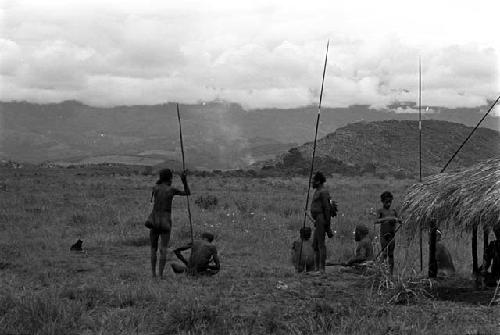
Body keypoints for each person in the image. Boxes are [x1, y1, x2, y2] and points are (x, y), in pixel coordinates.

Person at [145, 168, 190, 279]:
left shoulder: (155, 188)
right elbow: (188, 193)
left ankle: (153, 274)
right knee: (163, 249)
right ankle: (160, 275)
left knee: (153, 249)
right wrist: (184, 180)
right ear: (169, 177)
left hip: (154, 220)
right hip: (165, 221)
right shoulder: (171, 190)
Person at [310, 171, 333, 274]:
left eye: (313, 180)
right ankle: (316, 269)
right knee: (315, 245)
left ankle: (322, 269)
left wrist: (327, 227)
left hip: (321, 219)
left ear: (318, 181)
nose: (312, 182)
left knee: (320, 244)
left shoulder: (323, 192)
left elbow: (327, 209)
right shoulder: (317, 191)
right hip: (317, 220)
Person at [374, 191, 401, 274]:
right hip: (384, 236)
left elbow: (400, 220)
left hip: (392, 236)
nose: (388, 204)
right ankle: (379, 272)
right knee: (384, 253)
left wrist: (397, 220)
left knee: (391, 254)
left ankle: (391, 274)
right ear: (382, 201)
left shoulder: (394, 211)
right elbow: (376, 220)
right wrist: (388, 219)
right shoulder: (380, 211)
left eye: (390, 202)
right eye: (386, 202)